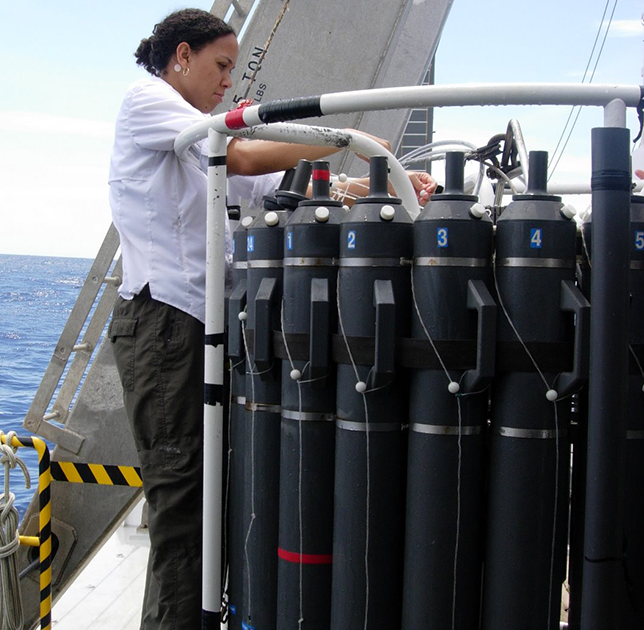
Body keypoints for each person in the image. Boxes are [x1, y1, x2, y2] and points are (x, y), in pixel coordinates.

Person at [106, 8, 436, 630]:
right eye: (220, 66)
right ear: (181, 56)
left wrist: (366, 185)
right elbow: (245, 155)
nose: (228, 81)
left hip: (209, 328)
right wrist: (349, 138)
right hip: (165, 325)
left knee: (219, 492)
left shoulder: (203, 130)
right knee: (183, 502)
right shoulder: (147, 102)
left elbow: (275, 186)